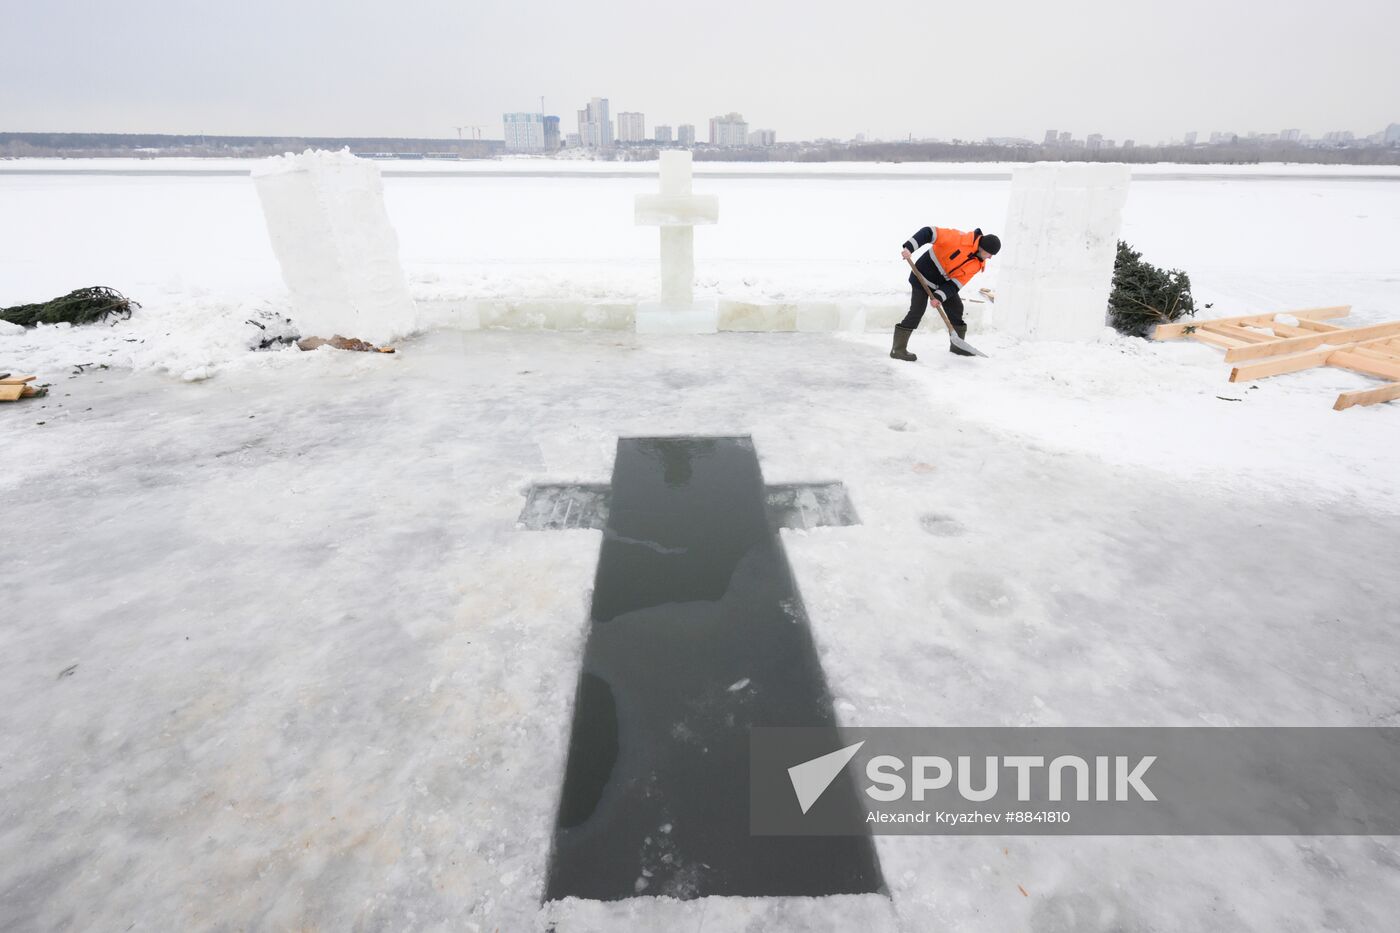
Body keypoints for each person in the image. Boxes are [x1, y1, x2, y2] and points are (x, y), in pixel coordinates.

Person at [892, 226, 1001, 361]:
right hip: (922, 276)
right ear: (983, 248)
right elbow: (929, 232)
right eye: (989, 254)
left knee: (956, 308)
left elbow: (955, 284)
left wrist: (938, 296)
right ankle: (898, 349)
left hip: (941, 284)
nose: (989, 257)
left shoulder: (977, 264)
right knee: (917, 311)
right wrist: (909, 247)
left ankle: (958, 346)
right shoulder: (959, 238)